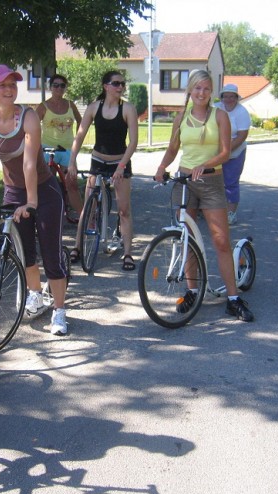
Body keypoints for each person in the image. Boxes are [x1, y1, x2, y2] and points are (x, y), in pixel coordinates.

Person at [0, 65, 69, 335]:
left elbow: (28, 164)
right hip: (13, 192)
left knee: (51, 254)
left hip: (44, 191)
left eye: (13, 84)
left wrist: (32, 202)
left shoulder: (29, 117)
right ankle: (34, 294)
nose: (9, 89)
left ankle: (59, 312)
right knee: (25, 251)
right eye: (2, 85)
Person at [153, 69, 254, 322]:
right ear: (190, 90)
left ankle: (233, 298)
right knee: (187, 238)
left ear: (211, 92)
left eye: (206, 89)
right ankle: (192, 290)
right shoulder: (181, 117)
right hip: (185, 182)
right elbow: (173, 148)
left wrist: (205, 165)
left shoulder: (220, 116)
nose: (201, 93)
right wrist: (161, 168)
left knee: (220, 240)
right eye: (197, 88)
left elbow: (226, 152)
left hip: (210, 181)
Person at [67, 70, 139, 271]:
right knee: (88, 207)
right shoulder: (93, 107)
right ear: (105, 86)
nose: (120, 87)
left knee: (124, 210)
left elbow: (133, 142)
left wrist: (122, 166)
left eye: (122, 84)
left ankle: (127, 253)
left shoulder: (128, 109)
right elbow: (80, 135)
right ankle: (77, 247)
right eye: (116, 83)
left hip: (120, 161)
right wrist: (72, 161)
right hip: (98, 160)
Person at [35, 74, 83, 218]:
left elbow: (81, 122)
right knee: (47, 183)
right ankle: (47, 213)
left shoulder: (70, 105)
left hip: (68, 149)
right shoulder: (44, 106)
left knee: (71, 184)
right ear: (50, 88)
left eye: (62, 85)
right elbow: (32, 126)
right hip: (48, 149)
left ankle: (83, 218)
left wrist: (77, 139)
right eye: (55, 85)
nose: (59, 88)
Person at [214, 83, 250, 225]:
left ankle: (231, 213)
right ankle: (212, 210)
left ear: (236, 98)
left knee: (231, 182)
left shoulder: (242, 112)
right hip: (215, 151)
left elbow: (242, 136)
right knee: (213, 181)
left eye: (232, 96)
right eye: (226, 96)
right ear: (222, 97)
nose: (228, 99)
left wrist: (226, 150)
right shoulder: (216, 108)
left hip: (235, 152)